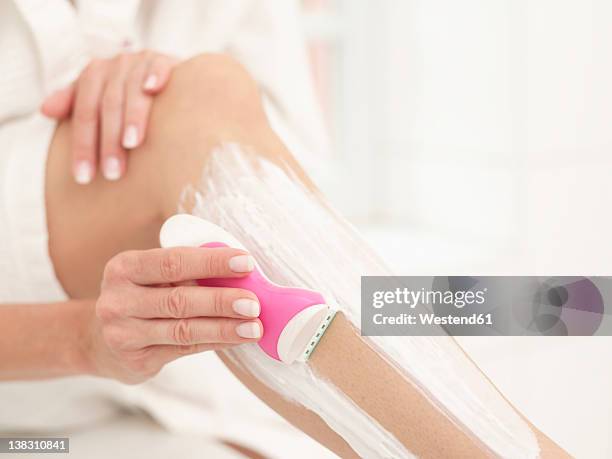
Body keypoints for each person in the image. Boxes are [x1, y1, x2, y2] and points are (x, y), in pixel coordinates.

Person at [0, 1, 569, 457]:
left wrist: (159, 80)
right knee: (206, 90)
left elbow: (285, 184)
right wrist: (81, 339)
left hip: (160, 387)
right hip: (31, 390)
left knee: (211, 89)